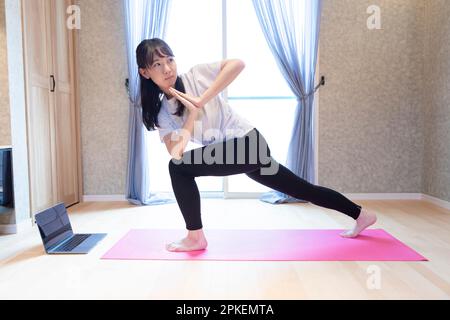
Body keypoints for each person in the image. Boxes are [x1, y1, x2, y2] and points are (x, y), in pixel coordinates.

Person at [136, 38, 377, 252]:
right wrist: (191, 113)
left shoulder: (195, 76)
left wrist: (201, 99)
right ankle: (361, 214)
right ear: (145, 72)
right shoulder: (162, 113)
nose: (167, 68)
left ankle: (195, 236)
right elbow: (176, 152)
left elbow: (238, 64)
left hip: (248, 143)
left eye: (169, 60)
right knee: (303, 189)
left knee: (178, 169)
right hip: (239, 152)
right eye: (157, 64)